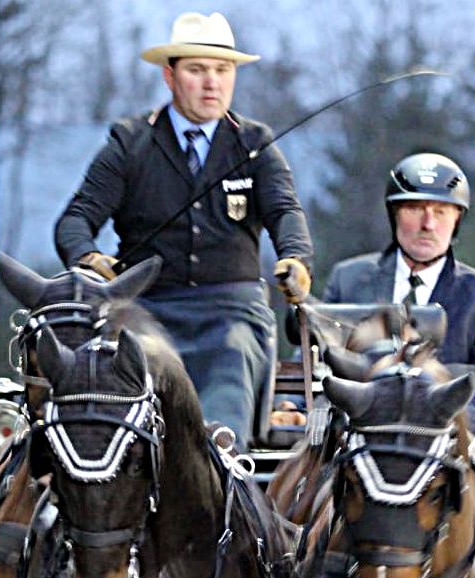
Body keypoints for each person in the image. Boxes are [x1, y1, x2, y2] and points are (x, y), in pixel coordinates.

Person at [54, 11, 314, 453]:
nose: (212, 83)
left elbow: (285, 210)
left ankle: (223, 464)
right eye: (197, 70)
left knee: (233, 355)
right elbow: (75, 219)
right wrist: (87, 257)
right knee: (127, 375)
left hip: (231, 312)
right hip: (147, 309)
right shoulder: (131, 142)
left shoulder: (254, 143)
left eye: (223, 70)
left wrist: (296, 259)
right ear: (170, 76)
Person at [322, 152, 475, 430]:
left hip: (443, 441)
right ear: (394, 214)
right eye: (415, 209)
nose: (428, 224)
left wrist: (463, 426)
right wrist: (294, 407)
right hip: (357, 436)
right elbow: (315, 358)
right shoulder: (347, 280)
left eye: (440, 211)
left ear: (457, 218)